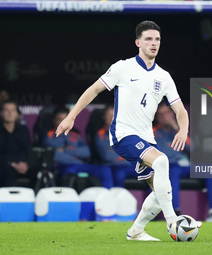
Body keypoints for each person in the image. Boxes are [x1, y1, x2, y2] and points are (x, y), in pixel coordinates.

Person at [55, 20, 201, 241]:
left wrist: (183, 130)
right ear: (138, 42)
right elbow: (93, 90)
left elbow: (180, 110)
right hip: (123, 135)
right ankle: (173, 222)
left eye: (157, 40)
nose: (154, 44)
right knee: (162, 162)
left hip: (146, 139)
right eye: (149, 39)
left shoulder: (164, 77)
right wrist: (71, 116)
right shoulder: (122, 67)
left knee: (161, 190)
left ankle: (135, 231)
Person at [154, 102, 212, 222]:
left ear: (172, 114)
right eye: (160, 115)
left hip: (186, 166)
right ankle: (175, 212)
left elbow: (191, 147)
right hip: (171, 167)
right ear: (157, 117)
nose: (164, 117)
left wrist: (177, 129)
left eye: (166, 113)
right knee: (172, 170)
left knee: (211, 169)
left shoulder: (178, 130)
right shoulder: (154, 132)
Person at [43, 107, 114, 190]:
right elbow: (55, 155)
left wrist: (67, 150)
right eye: (59, 120)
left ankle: (109, 198)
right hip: (63, 167)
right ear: (54, 121)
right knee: (71, 171)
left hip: (81, 165)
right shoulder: (49, 136)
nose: (63, 122)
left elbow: (87, 152)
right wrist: (76, 157)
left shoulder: (75, 135)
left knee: (105, 170)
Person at [94, 106, 137, 187]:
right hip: (114, 166)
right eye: (109, 115)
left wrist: (115, 150)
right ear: (104, 117)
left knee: (153, 173)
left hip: (132, 166)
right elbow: (107, 156)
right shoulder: (100, 134)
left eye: (114, 114)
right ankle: (116, 199)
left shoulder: (127, 131)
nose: (112, 117)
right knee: (118, 174)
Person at [0, 101, 34, 187]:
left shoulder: (23, 130)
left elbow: (29, 150)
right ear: (1, 113)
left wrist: (26, 163)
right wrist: (13, 164)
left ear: (17, 114)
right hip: (5, 164)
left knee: (38, 172)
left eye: (13, 110)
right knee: (8, 173)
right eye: (7, 110)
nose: (10, 113)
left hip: (23, 164)